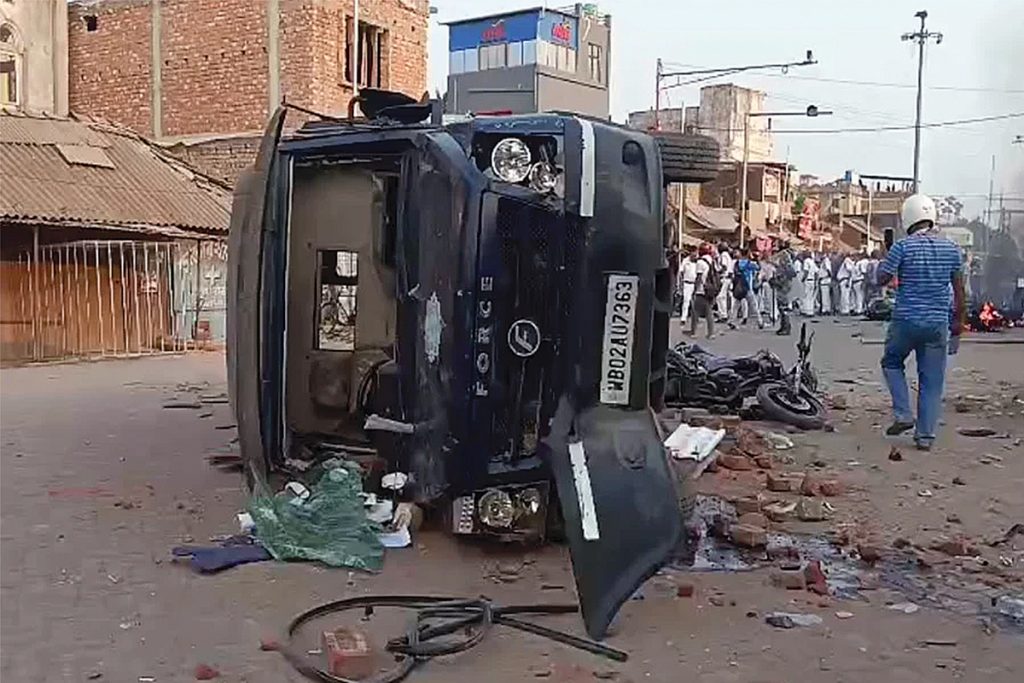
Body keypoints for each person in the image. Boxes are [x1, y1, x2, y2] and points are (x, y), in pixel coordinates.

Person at [877, 193, 966, 451]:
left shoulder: (902, 247)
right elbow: (960, 291)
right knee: (932, 381)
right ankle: (925, 436)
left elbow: (881, 278)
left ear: (908, 218)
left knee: (892, 362)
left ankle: (903, 413)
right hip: (937, 323)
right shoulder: (951, 249)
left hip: (906, 320)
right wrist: (958, 323)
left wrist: (886, 254)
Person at [690, 243, 718, 338]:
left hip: (702, 289)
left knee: (695, 312)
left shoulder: (700, 262)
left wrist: (695, 289)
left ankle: (694, 332)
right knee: (708, 311)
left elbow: (699, 277)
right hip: (711, 289)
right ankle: (711, 332)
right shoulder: (712, 260)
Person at [769, 239, 796, 335]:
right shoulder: (785, 256)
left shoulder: (784, 256)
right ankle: (783, 325)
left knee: (783, 306)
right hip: (783, 282)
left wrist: (778, 280)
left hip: (784, 283)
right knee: (781, 306)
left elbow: (789, 271)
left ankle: (786, 327)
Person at [733, 248, 764, 328]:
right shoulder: (749, 263)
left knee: (736, 305)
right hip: (747, 286)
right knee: (754, 305)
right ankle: (760, 321)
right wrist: (756, 259)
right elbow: (758, 267)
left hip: (739, 286)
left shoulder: (737, 263)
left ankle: (732, 320)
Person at [677, 248, 698, 324]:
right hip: (687, 283)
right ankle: (683, 318)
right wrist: (680, 284)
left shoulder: (698, 262)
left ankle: (695, 317)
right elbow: (681, 272)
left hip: (696, 283)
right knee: (686, 301)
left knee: (695, 302)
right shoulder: (685, 261)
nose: (695, 255)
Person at [715, 243, 735, 322]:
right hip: (728, 278)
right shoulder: (728, 255)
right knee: (725, 297)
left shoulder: (723, 255)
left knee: (720, 297)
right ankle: (726, 313)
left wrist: (718, 272)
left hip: (724, 277)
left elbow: (724, 266)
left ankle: (723, 315)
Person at [801, 251, 818, 316]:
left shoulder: (806, 261)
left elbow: (806, 271)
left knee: (806, 296)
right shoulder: (812, 262)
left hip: (807, 280)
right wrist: (815, 280)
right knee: (811, 297)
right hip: (812, 280)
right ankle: (811, 311)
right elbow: (816, 272)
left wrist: (802, 279)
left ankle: (806, 311)